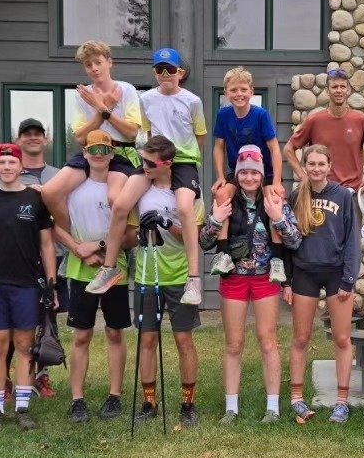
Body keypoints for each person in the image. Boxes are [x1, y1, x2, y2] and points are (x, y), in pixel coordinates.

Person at [89, 47, 206, 307]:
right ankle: (110, 268)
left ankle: (194, 279)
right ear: (154, 73)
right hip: (153, 160)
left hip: (183, 161)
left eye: (171, 70)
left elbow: (200, 135)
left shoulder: (193, 101)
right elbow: (147, 130)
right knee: (120, 204)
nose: (165, 74)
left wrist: (190, 158)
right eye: (160, 70)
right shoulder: (147, 99)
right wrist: (149, 156)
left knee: (185, 208)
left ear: (180, 73)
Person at [201, 145, 301, 424]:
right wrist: (215, 219)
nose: (248, 178)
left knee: (268, 341)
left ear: (261, 175)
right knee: (233, 344)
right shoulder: (226, 199)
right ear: (237, 174)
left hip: (265, 277)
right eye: (243, 172)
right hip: (233, 277)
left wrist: (279, 218)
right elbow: (205, 241)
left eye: (254, 173)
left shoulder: (274, 198)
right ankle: (231, 407)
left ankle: (273, 407)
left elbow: (294, 241)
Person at [0, 143, 57, 432]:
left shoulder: (35, 199)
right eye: (2, 163)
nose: (7, 167)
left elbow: (47, 244)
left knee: (24, 346)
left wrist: (51, 281)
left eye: (12, 162)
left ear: (21, 166)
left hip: (26, 284)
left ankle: (22, 408)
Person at [54, 131, 134, 424]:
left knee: (114, 332)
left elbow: (131, 236)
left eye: (104, 149)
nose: (99, 154)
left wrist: (100, 246)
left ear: (112, 154)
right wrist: (78, 249)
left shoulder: (122, 188)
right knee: (82, 335)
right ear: (84, 154)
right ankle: (78, 399)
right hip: (80, 268)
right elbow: (53, 226)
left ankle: (115, 395)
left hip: (115, 270)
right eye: (93, 149)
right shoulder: (73, 187)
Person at [131, 135, 203, 428]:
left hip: (179, 273)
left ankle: (188, 403)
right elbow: (128, 227)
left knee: (183, 339)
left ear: (167, 164)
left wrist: (165, 222)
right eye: (142, 160)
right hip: (147, 272)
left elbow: (192, 235)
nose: (144, 166)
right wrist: (141, 229)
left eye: (149, 162)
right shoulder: (140, 189)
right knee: (147, 339)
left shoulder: (185, 193)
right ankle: (149, 402)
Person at [287, 144, 360, 424]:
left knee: (342, 338)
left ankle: (342, 402)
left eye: (321, 164)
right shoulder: (296, 196)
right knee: (301, 338)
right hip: (305, 271)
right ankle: (296, 398)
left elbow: (353, 240)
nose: (316, 168)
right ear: (304, 166)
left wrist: (349, 278)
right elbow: (289, 241)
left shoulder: (343, 195)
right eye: (311, 163)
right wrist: (289, 280)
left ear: (330, 166)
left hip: (335, 274)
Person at [0, 115, 68, 398]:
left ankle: (42, 375)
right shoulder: (7, 170)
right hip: (20, 257)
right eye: (27, 134)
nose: (33, 137)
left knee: (46, 319)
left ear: (46, 139)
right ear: (18, 140)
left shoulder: (59, 174)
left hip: (55, 254)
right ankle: (4, 380)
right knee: (15, 323)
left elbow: (66, 216)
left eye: (38, 133)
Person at [40, 39, 142, 231]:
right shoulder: (82, 94)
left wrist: (103, 109)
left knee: (114, 198)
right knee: (49, 192)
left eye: (98, 62)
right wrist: (100, 109)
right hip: (91, 150)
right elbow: (80, 137)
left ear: (109, 62)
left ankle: (120, 244)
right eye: (88, 65)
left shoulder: (126, 90)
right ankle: (75, 238)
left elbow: (131, 133)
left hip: (120, 152)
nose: (94, 68)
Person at [287, 65, 364, 199]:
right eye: (334, 87)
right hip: (320, 192)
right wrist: (303, 177)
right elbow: (288, 149)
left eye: (342, 86)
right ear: (327, 91)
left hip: (351, 193)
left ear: (348, 90)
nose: (339, 90)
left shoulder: (360, 120)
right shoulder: (314, 120)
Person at [213, 66, 282, 194]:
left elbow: (275, 148)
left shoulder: (261, 115)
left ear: (251, 92)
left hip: (265, 172)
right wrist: (220, 177)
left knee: (274, 198)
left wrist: (277, 182)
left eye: (244, 89)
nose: (239, 94)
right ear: (226, 92)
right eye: (233, 90)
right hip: (237, 172)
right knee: (221, 194)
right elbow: (219, 147)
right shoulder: (223, 115)